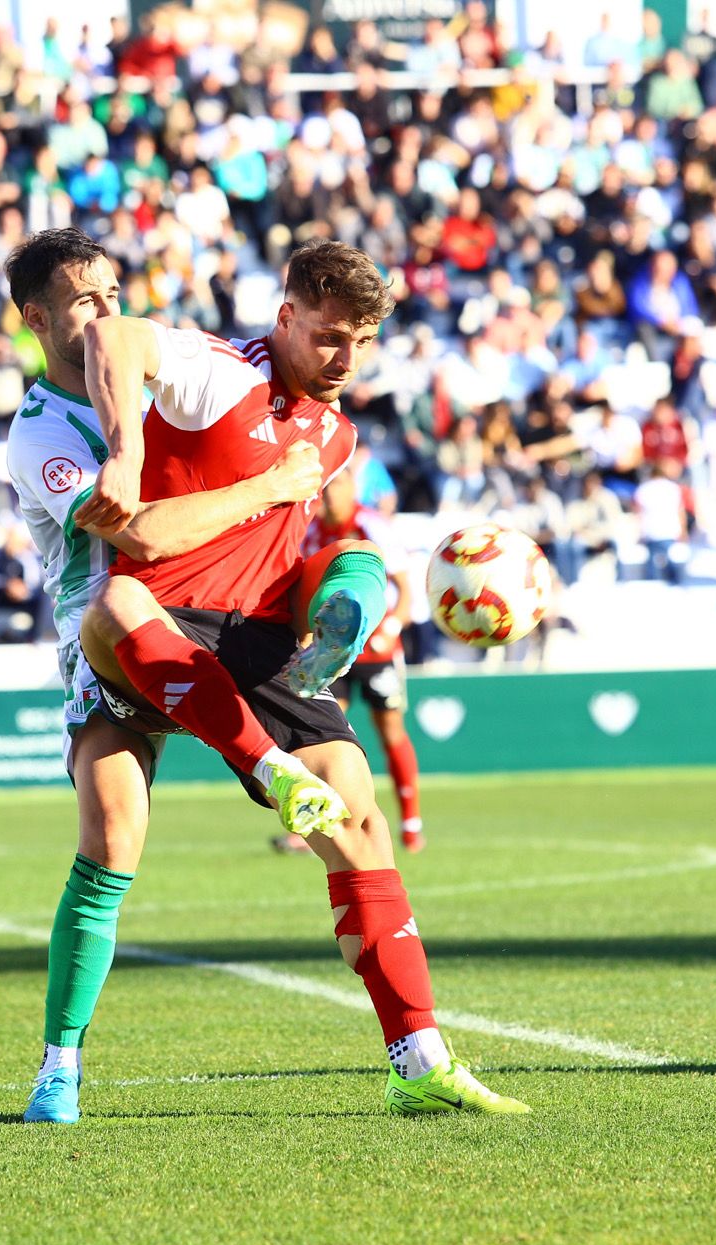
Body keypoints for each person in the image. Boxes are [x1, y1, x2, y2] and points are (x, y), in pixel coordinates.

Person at [55, 237, 530, 1120]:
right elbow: (115, 339)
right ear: (285, 318)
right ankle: (269, 770)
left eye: (362, 342)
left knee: (358, 815)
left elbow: (315, 541)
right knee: (113, 607)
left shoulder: (338, 432)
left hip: (260, 637)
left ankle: (419, 1055)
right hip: (164, 620)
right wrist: (123, 457)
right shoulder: (221, 373)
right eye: (330, 337)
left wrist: (346, 588)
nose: (346, 359)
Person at [1, 229, 330, 1125]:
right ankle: (58, 1066)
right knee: (111, 840)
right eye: (83, 301)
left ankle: (416, 1043)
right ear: (36, 320)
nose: (107, 313)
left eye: (113, 293)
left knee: (350, 802)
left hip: (218, 622)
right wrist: (271, 488)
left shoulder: (170, 385)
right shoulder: (40, 437)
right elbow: (142, 536)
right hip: (106, 636)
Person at [281, 467, 425, 853]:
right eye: (324, 487)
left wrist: (391, 627)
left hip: (377, 649)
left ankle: (411, 822)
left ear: (352, 489)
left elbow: (406, 590)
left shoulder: (370, 525)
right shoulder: (311, 529)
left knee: (390, 731)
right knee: (324, 736)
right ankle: (314, 825)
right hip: (328, 651)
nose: (328, 494)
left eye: (337, 485)